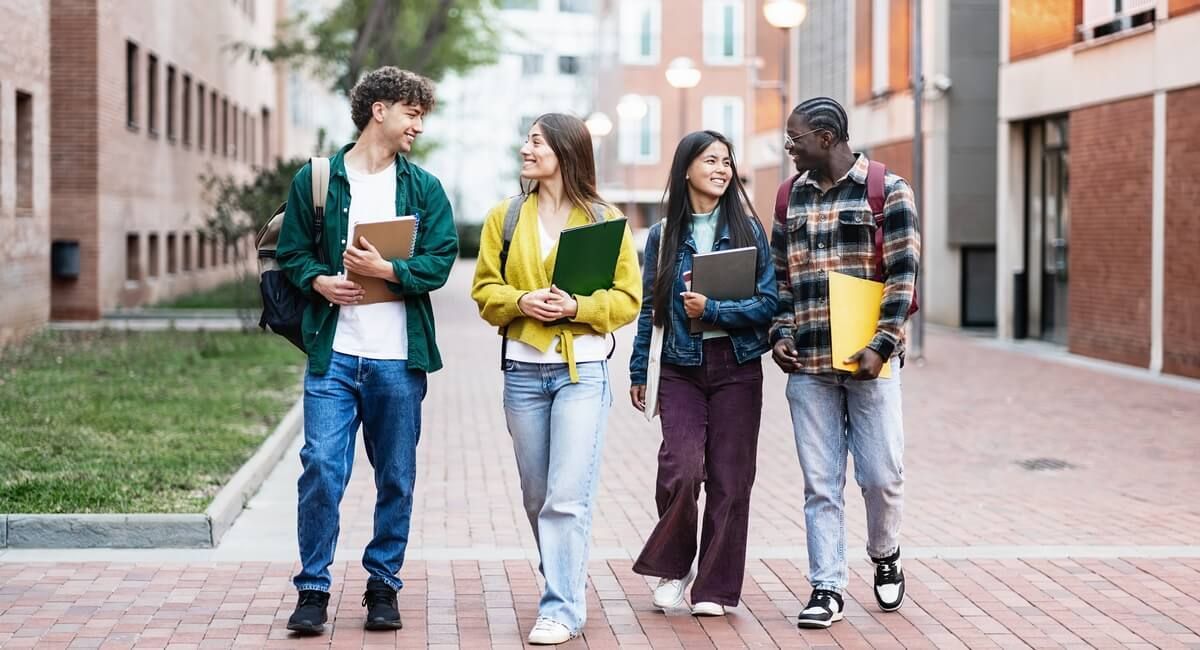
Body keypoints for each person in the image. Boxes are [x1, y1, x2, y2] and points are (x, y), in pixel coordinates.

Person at [275, 66, 458, 635]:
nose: (418, 126)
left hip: (397, 360)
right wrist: (319, 281)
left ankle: (383, 584)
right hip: (334, 356)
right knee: (322, 469)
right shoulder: (318, 179)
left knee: (396, 476)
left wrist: (389, 270)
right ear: (379, 109)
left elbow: (442, 258)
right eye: (412, 113)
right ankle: (313, 589)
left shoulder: (423, 187)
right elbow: (291, 252)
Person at [470, 113, 641, 645]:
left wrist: (576, 306)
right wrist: (521, 300)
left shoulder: (603, 218)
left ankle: (562, 607)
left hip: (582, 372)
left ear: (565, 152)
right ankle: (562, 579)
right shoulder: (506, 216)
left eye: (536, 141)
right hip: (522, 372)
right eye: (526, 139)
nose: (526, 148)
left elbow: (627, 299)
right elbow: (483, 290)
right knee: (537, 495)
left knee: (567, 496)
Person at [769, 97, 920, 629]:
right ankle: (826, 586)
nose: (789, 147)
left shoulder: (888, 190)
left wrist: (882, 345)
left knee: (881, 476)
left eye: (796, 139)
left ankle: (885, 554)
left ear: (827, 138)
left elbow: (903, 276)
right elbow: (781, 279)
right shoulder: (788, 197)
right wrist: (780, 333)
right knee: (821, 483)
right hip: (809, 367)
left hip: (871, 363)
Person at [627, 130, 777, 617]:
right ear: (687, 167)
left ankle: (714, 589)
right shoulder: (662, 234)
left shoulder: (750, 230)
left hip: (737, 367)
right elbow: (651, 308)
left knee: (732, 480)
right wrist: (638, 370)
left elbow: (769, 303)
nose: (721, 168)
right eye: (711, 160)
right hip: (679, 368)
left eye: (727, 161)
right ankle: (674, 567)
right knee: (683, 468)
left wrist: (714, 309)